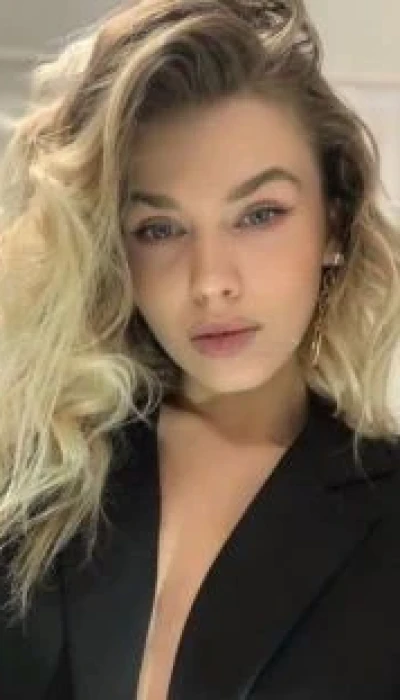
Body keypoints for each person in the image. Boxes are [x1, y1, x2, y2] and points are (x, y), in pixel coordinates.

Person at [1, 0, 400, 698]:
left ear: (334, 226)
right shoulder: (37, 475)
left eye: (260, 214)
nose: (210, 281)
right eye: (159, 229)